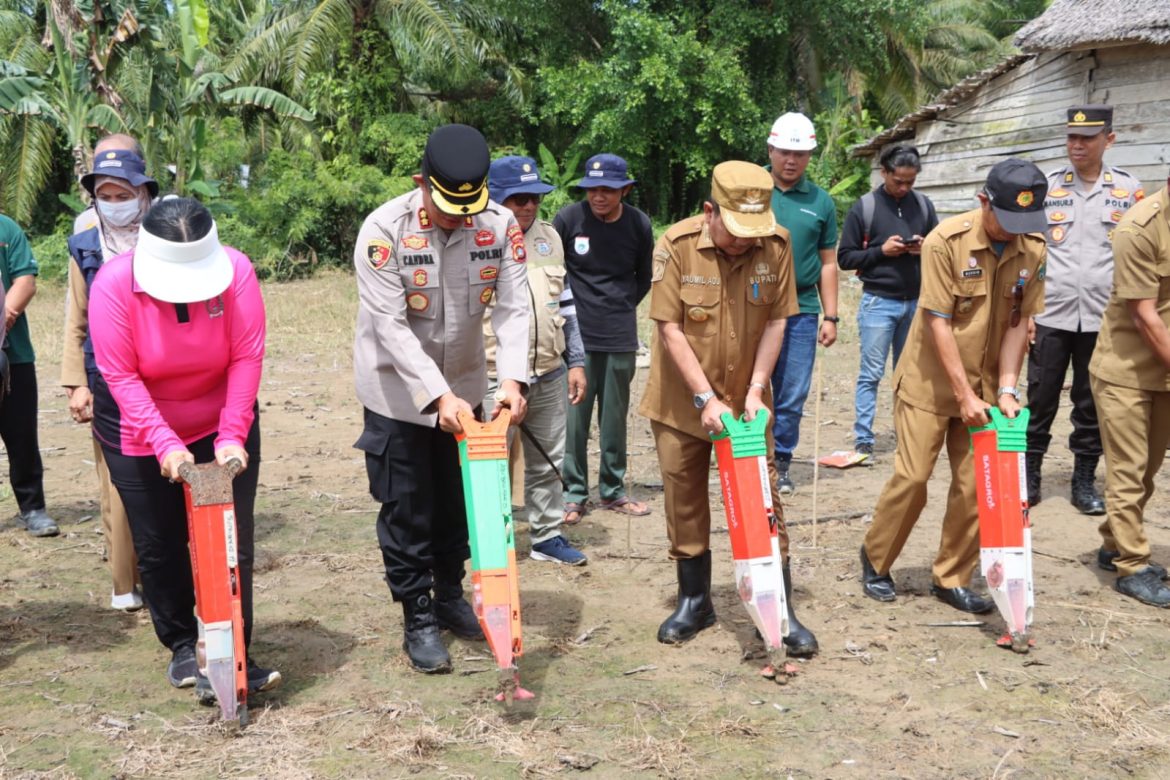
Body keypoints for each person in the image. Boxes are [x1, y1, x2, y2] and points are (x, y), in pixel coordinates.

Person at [352, 124, 529, 673]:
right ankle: (418, 614)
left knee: (459, 504)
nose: (458, 218)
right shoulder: (384, 230)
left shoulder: (499, 226)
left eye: (467, 207)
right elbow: (390, 325)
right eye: (448, 206)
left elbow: (514, 306)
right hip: (398, 397)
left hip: (470, 390)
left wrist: (514, 380)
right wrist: (437, 395)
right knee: (408, 508)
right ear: (420, 182)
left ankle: (450, 595)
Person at [88, 197, 280, 701]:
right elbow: (120, 376)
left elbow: (246, 355)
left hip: (222, 421)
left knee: (231, 542)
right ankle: (179, 642)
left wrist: (233, 432)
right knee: (160, 542)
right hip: (138, 429)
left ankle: (235, 648)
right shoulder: (112, 284)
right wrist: (166, 445)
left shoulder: (236, 272)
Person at [640, 161, 818, 655]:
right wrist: (704, 398)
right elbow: (670, 328)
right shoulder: (675, 246)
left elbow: (779, 322)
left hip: (747, 406)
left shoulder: (776, 245)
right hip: (681, 403)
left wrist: (757, 388)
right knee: (685, 499)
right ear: (709, 212)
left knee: (764, 502)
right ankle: (695, 600)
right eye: (735, 231)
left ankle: (778, 608)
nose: (744, 242)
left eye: (752, 233)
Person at [859, 158, 1049, 614]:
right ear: (984, 201)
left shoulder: (1034, 249)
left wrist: (1005, 388)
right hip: (929, 384)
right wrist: (963, 395)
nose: (1012, 231)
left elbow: (1019, 323)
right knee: (914, 477)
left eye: (1024, 222)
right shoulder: (946, 241)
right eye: (1006, 219)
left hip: (984, 390)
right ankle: (877, 558)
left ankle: (952, 576)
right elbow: (938, 322)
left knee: (974, 485)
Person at [1026, 105, 1144, 515]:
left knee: (1091, 401)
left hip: (1103, 318)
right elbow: (1030, 252)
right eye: (1072, 137)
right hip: (1050, 312)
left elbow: (1136, 256)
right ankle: (1031, 474)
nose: (1076, 145)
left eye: (1087, 138)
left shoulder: (1128, 191)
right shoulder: (1048, 187)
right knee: (1039, 398)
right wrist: (1024, 312)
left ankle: (1083, 480)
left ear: (1108, 140)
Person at [62, 149, 158, 611]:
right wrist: (75, 383)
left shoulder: (169, 235)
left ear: (143, 194)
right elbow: (75, 318)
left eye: (123, 193)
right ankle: (125, 583)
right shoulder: (84, 244)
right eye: (105, 195)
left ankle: (171, 573)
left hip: (164, 375)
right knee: (118, 485)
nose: (115, 202)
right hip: (106, 378)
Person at [483, 155, 588, 565]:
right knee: (491, 464)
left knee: (548, 458)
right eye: (518, 199)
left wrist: (575, 360)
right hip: (494, 374)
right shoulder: (479, 239)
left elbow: (566, 302)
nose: (528, 206)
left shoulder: (549, 237)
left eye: (535, 198)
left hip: (548, 369)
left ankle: (546, 535)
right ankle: (493, 540)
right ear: (495, 198)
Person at [554, 154, 654, 522]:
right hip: (575, 336)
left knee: (614, 418)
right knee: (575, 419)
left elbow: (643, 277)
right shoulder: (567, 219)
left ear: (624, 190)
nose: (599, 196)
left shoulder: (639, 224)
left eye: (608, 190)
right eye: (593, 189)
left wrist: (621, 306)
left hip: (619, 334)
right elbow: (554, 272)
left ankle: (612, 490)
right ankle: (574, 493)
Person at [1088, 168, 1170, 607]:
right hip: (1126, 372)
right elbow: (1145, 315)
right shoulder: (1139, 228)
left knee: (1148, 470)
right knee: (1127, 471)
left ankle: (1112, 541)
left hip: (1164, 373)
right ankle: (1133, 566)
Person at [838, 145, 939, 457]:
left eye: (911, 181)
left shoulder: (923, 205)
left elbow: (941, 248)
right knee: (871, 374)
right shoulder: (865, 208)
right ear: (884, 172)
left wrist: (925, 247)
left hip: (915, 303)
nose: (904, 187)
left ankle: (906, 433)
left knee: (909, 375)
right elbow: (845, 257)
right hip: (878, 303)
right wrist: (882, 251)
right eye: (899, 181)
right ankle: (864, 438)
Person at [765, 112, 840, 493]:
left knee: (792, 391)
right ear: (770, 150)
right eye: (783, 152)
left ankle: (781, 461)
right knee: (750, 384)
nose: (791, 160)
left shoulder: (821, 202)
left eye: (800, 154)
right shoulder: (752, 190)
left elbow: (829, 263)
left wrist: (832, 316)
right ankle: (749, 457)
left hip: (802, 310)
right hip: (753, 308)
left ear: (810, 156)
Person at [0, 213, 57, 536]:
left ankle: (33, 507)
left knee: (21, 435)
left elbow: (25, 280)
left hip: (13, 354)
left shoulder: (6, 229)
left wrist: (3, 316)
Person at [73, 134, 146, 236]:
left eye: (123, 197)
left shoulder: (166, 220)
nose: (114, 206)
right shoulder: (85, 225)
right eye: (104, 198)